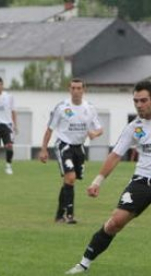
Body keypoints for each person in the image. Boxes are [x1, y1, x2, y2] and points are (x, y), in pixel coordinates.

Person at [65, 80, 151, 275]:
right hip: (141, 181)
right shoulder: (134, 126)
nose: (139, 105)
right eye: (136, 101)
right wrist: (97, 181)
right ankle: (83, 263)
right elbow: (115, 155)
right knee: (115, 222)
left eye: (143, 100)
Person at [39, 78, 103, 224]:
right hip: (64, 145)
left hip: (79, 147)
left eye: (79, 88)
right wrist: (43, 149)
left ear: (83, 90)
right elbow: (49, 129)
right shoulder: (62, 107)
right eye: (73, 88)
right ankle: (69, 215)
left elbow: (99, 128)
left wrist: (95, 134)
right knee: (71, 177)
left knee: (69, 181)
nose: (76, 91)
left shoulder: (90, 108)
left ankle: (59, 215)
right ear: (69, 89)